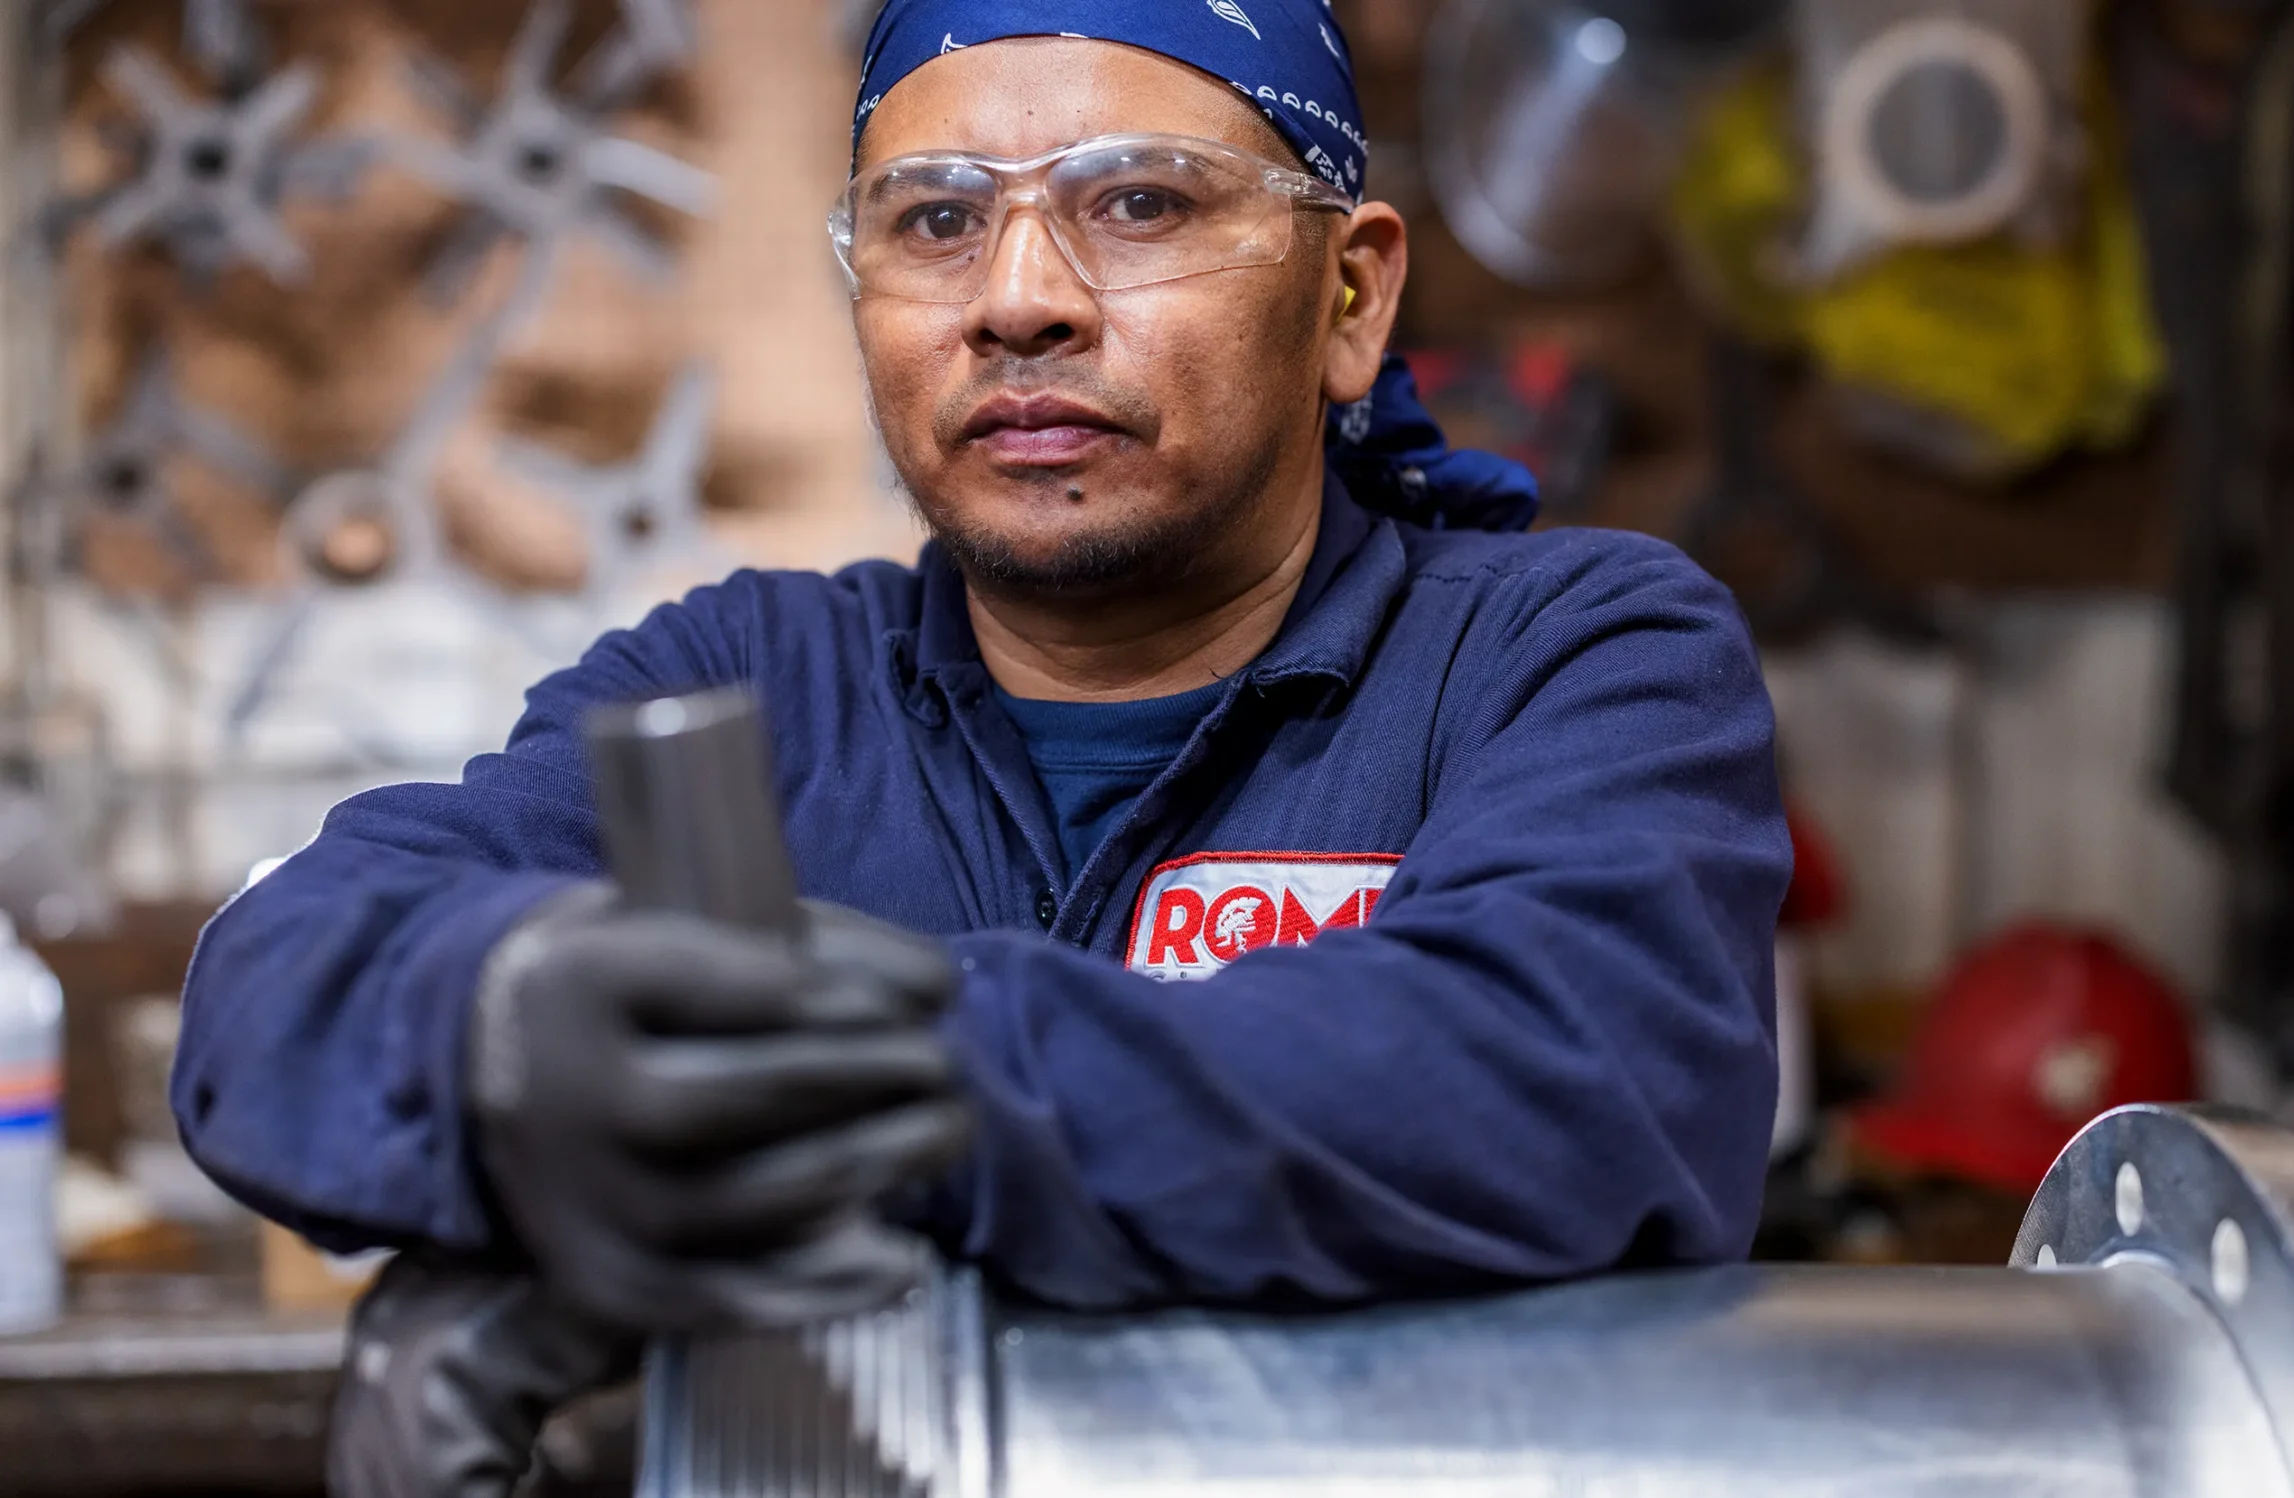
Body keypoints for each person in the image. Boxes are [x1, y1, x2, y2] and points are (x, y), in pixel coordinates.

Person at [178, 0, 1784, 1384]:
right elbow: (276, 982)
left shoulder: (1568, 658)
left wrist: (856, 1097)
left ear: (1349, 298)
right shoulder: (757, 683)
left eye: (1139, 202)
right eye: (936, 220)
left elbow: (1548, 1083)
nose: (1018, 299)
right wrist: (513, 1028)